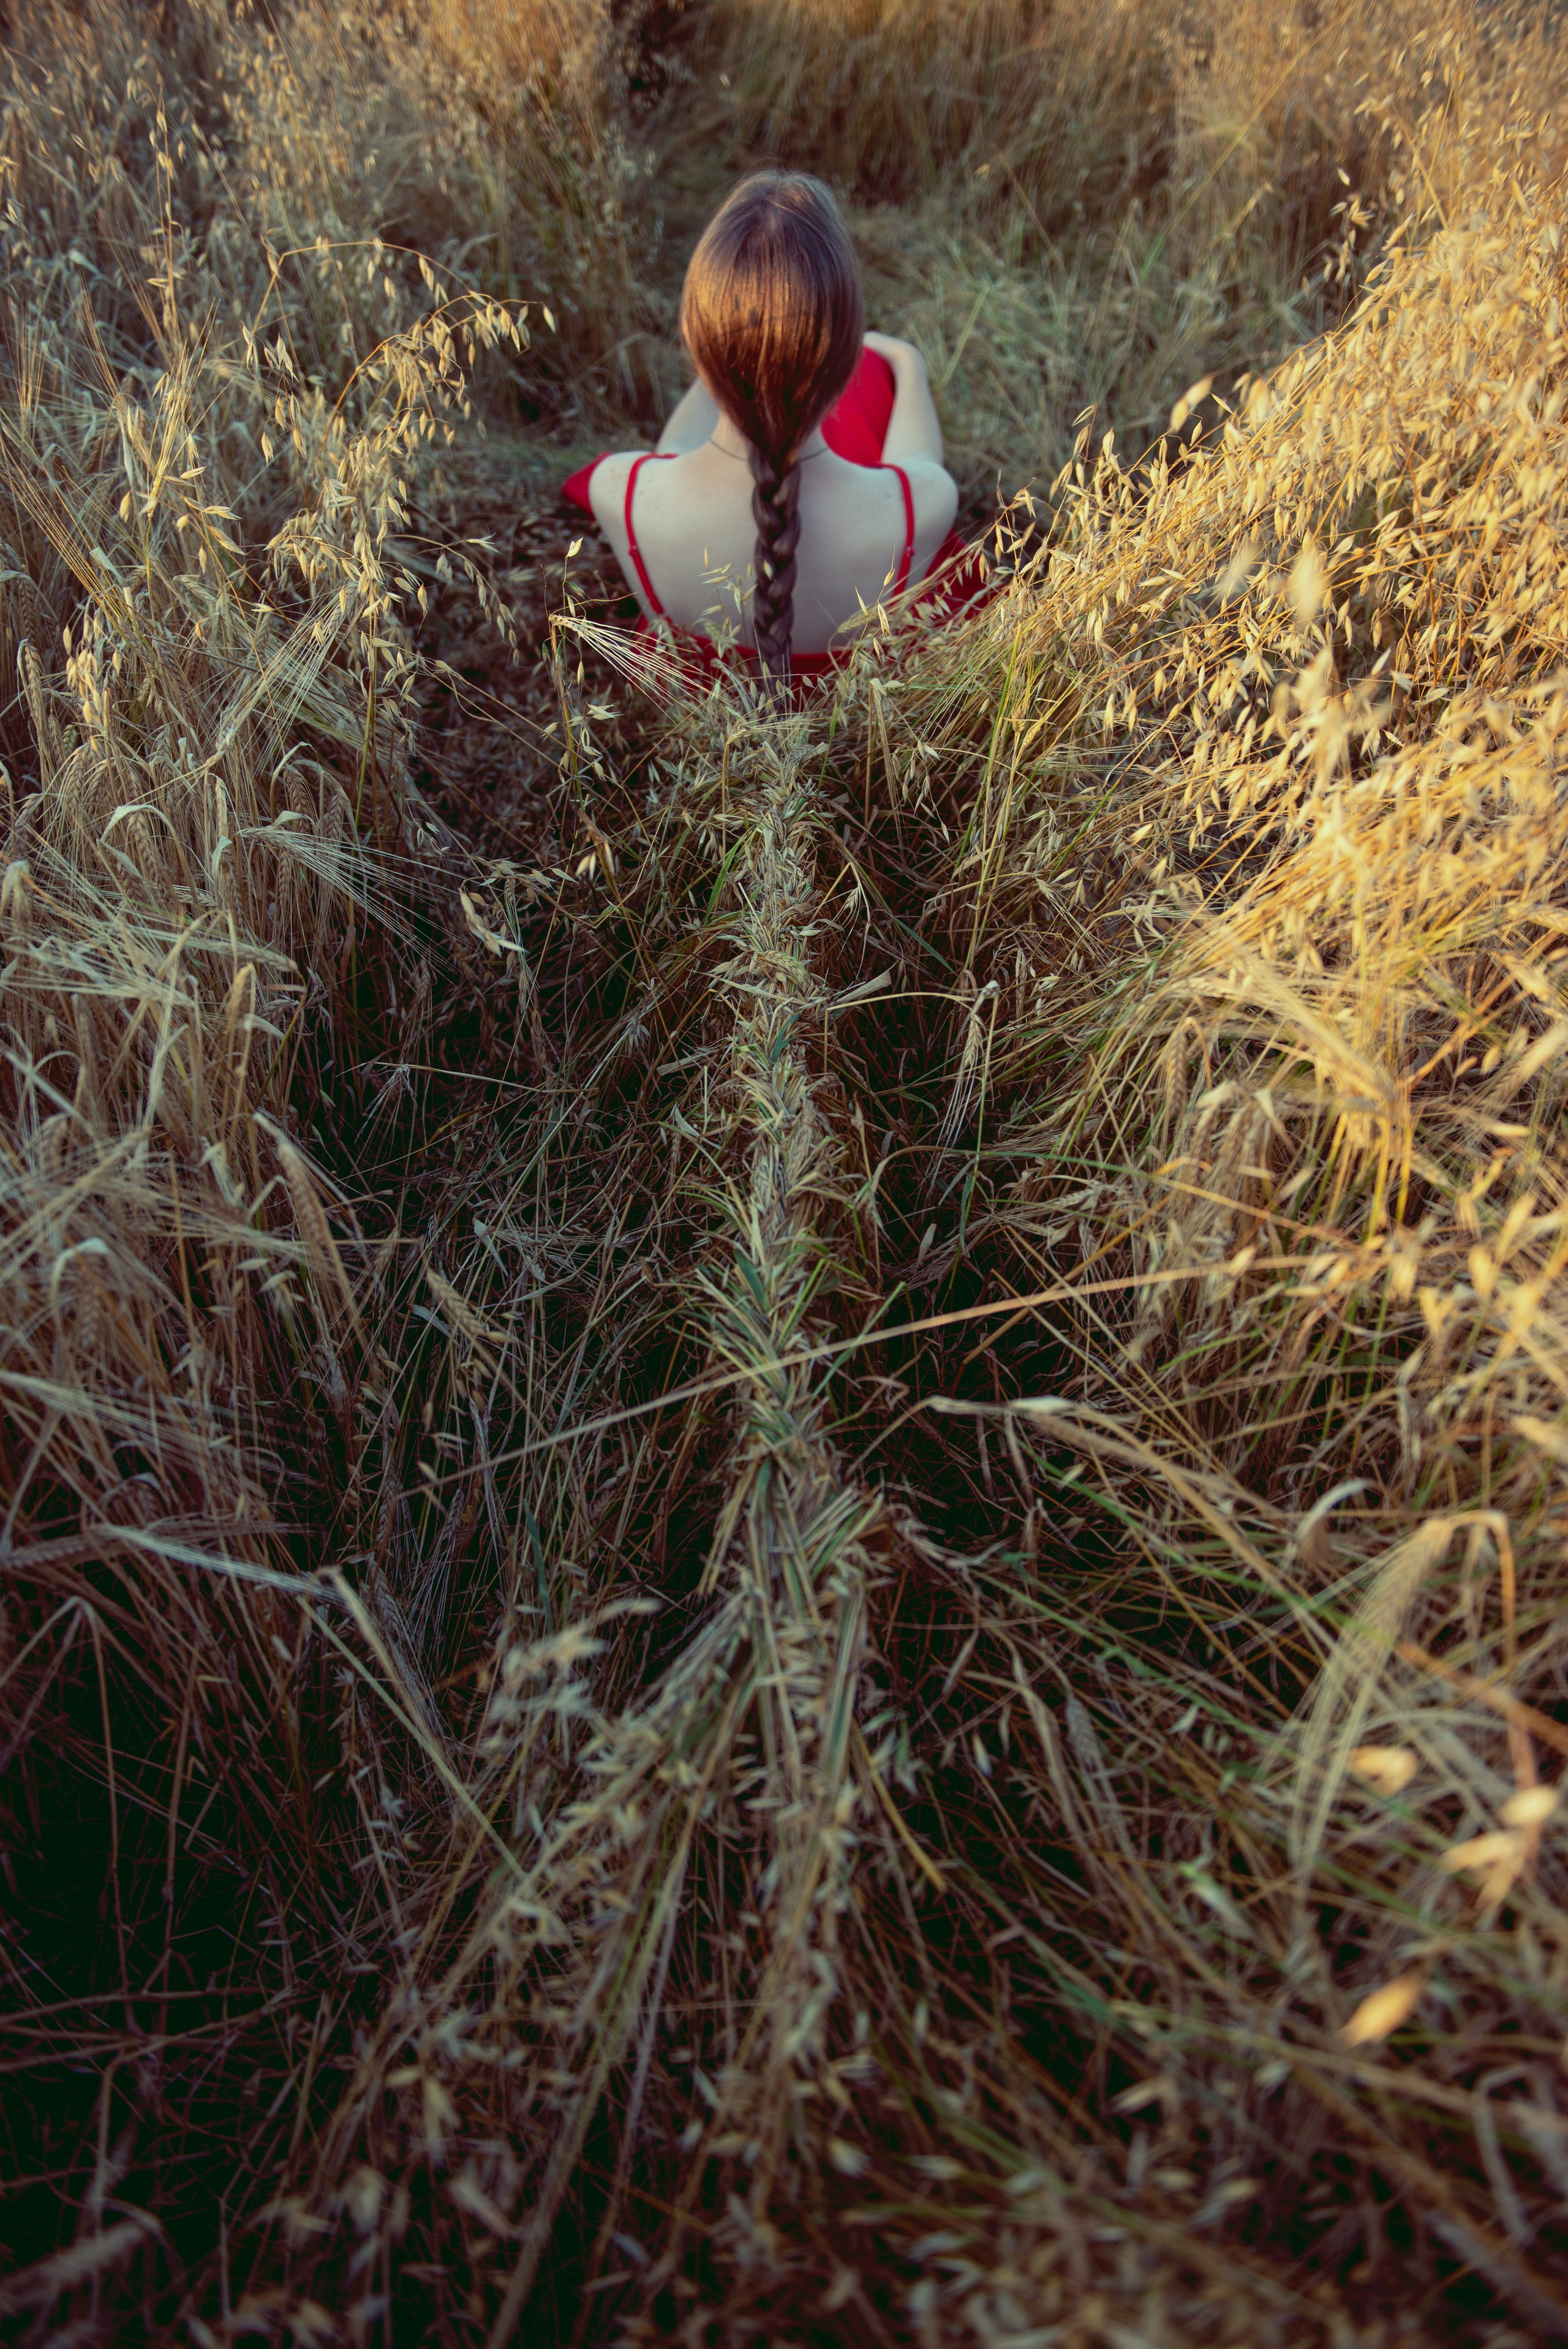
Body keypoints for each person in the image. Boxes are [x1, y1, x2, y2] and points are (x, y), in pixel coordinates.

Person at [560, 170, 982, 693]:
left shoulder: (619, 491)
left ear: (692, 342)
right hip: (847, 738)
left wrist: (730, 353)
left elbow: (674, 451)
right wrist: (906, 361)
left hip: (706, 737)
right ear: (847, 360)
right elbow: (918, 462)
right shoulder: (924, 505)